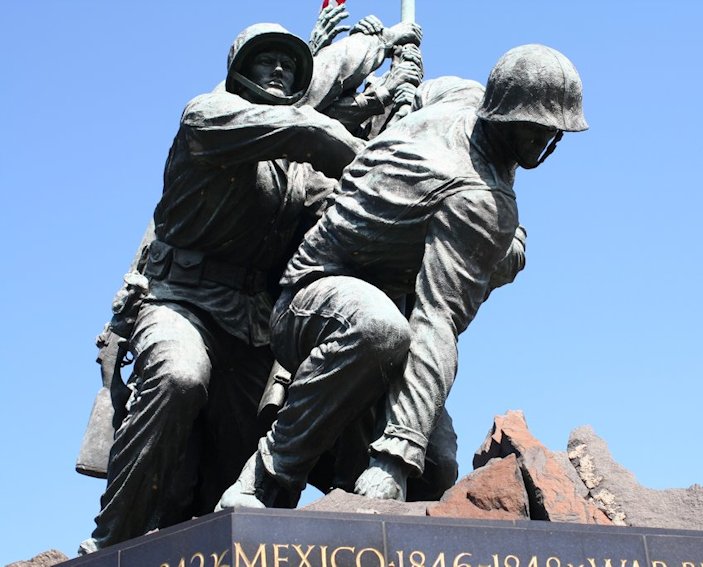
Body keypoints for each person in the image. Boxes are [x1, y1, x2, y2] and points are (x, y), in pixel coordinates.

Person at [81, 17, 421, 553]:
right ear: (239, 71)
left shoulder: (297, 173)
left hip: (250, 325)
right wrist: (374, 53)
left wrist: (401, 139)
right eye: (268, 60)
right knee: (179, 376)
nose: (282, 68)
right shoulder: (207, 117)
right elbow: (311, 130)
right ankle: (109, 545)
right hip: (182, 303)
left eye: (291, 62)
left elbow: (346, 211)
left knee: (242, 471)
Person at [217, 44, 588, 508]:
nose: (546, 144)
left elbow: (419, 98)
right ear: (504, 115)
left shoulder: (459, 92)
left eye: (556, 133)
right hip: (311, 297)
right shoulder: (480, 201)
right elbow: (437, 322)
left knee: (437, 467)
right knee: (377, 329)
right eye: (535, 130)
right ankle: (266, 478)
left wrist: (407, 96)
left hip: (390, 303)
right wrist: (393, 458)